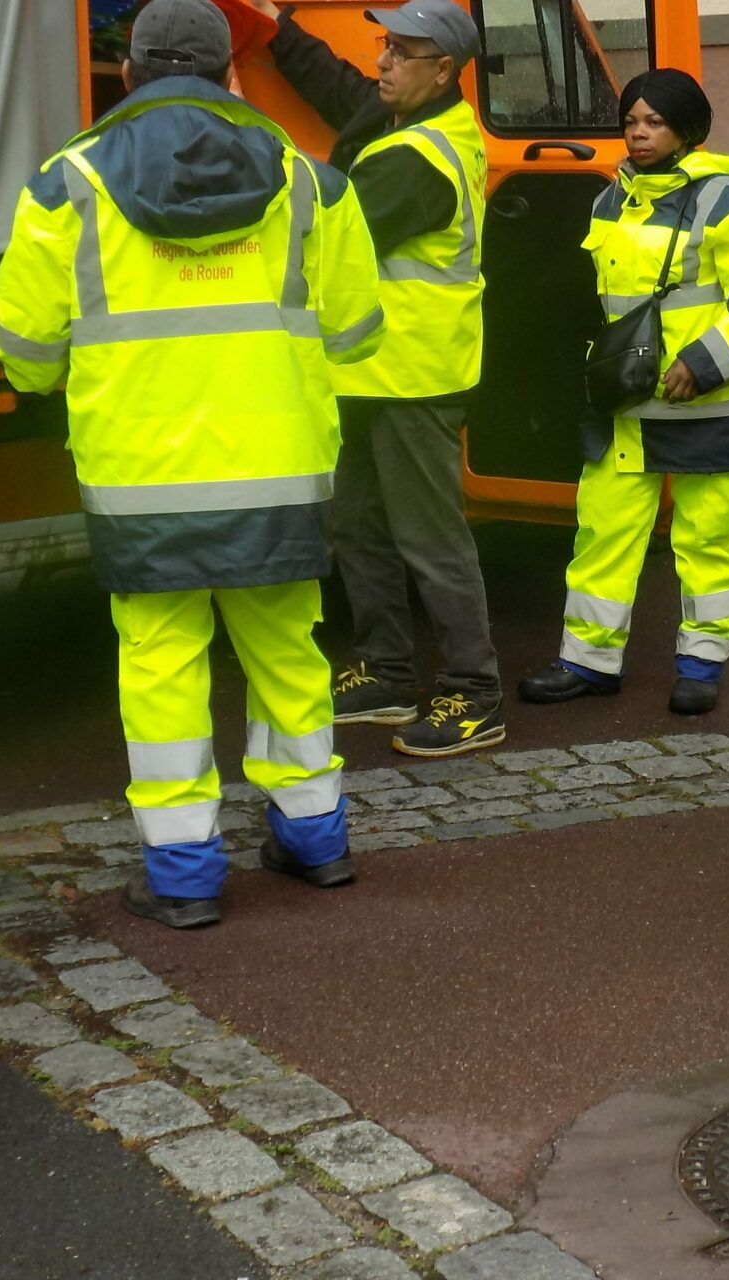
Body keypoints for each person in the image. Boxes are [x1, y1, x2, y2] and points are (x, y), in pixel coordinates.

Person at [0, 0, 384, 930]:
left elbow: (27, 354)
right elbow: (359, 332)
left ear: (129, 71)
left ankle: (183, 875)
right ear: (226, 75)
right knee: (288, 654)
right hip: (279, 464)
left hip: (141, 475)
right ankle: (315, 841)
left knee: (160, 666)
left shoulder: (64, 186)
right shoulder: (312, 183)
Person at [249, 0, 504, 757]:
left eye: (403, 52)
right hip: (368, 371)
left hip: (414, 375)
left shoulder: (419, 158)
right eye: (385, 45)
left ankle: (474, 691)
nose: (384, 62)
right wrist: (274, 26)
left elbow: (331, 237)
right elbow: (342, 91)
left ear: (443, 71)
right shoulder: (406, 124)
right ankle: (387, 670)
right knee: (357, 524)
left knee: (430, 540)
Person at [517, 69, 729, 717]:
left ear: (689, 128)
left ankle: (702, 666)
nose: (639, 133)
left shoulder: (728, 201)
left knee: (708, 540)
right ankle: (587, 662)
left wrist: (705, 364)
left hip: (706, 401)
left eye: (654, 122)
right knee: (604, 532)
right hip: (626, 403)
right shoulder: (610, 200)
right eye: (630, 122)